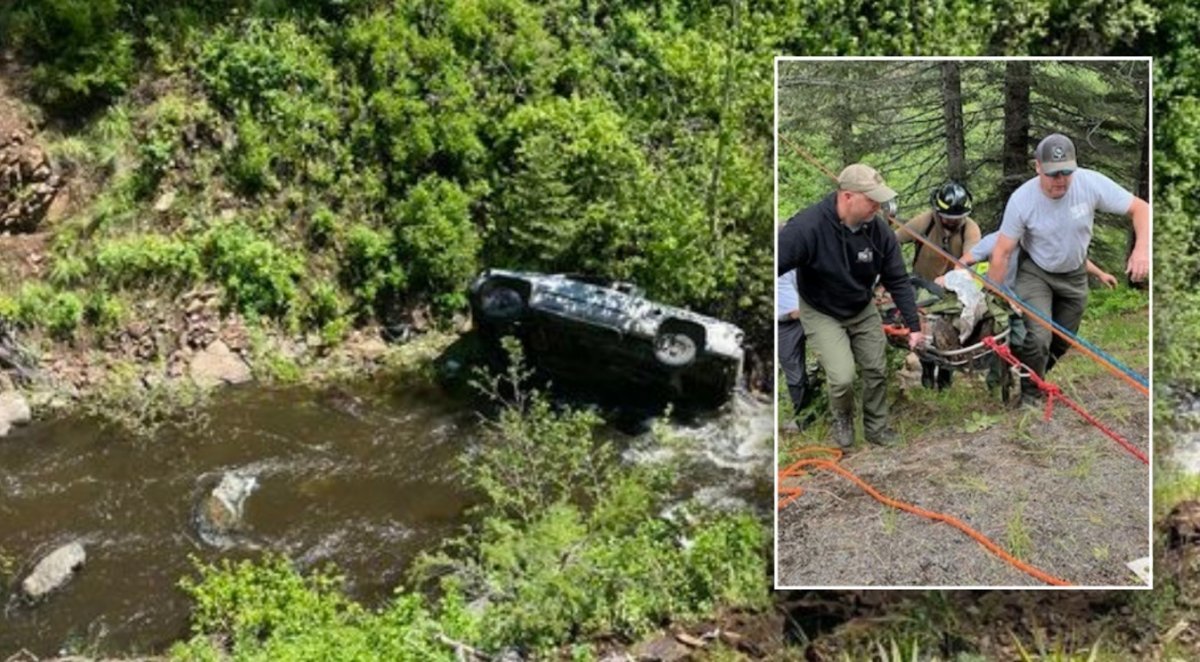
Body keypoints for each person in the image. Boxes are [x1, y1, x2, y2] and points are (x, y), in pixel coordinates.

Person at [987, 133, 1149, 405]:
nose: (1060, 180)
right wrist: (995, 299)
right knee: (1039, 337)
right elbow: (1002, 252)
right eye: (1052, 173)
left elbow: (1140, 209)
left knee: (1062, 341)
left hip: (1074, 275)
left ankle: (1029, 375)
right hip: (1036, 272)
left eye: (1066, 172)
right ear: (1037, 166)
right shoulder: (1022, 200)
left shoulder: (1090, 183)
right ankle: (1030, 398)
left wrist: (1141, 249)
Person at [776, 163, 925, 448]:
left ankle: (876, 428)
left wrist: (913, 326)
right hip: (821, 310)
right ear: (847, 197)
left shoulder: (878, 231)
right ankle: (842, 419)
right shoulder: (807, 227)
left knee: (875, 368)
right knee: (843, 376)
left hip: (860, 306)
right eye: (872, 200)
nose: (877, 207)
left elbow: (898, 279)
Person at [896, 181, 982, 390]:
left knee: (948, 334)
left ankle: (945, 378)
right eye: (947, 218)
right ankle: (926, 372)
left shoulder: (970, 229)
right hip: (922, 287)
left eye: (957, 218)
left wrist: (954, 276)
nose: (952, 222)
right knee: (924, 333)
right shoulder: (925, 221)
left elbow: (971, 260)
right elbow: (894, 239)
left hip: (952, 291)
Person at [777, 270, 810, 432]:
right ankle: (802, 418)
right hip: (784, 323)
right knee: (795, 374)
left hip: (809, 314)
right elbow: (795, 312)